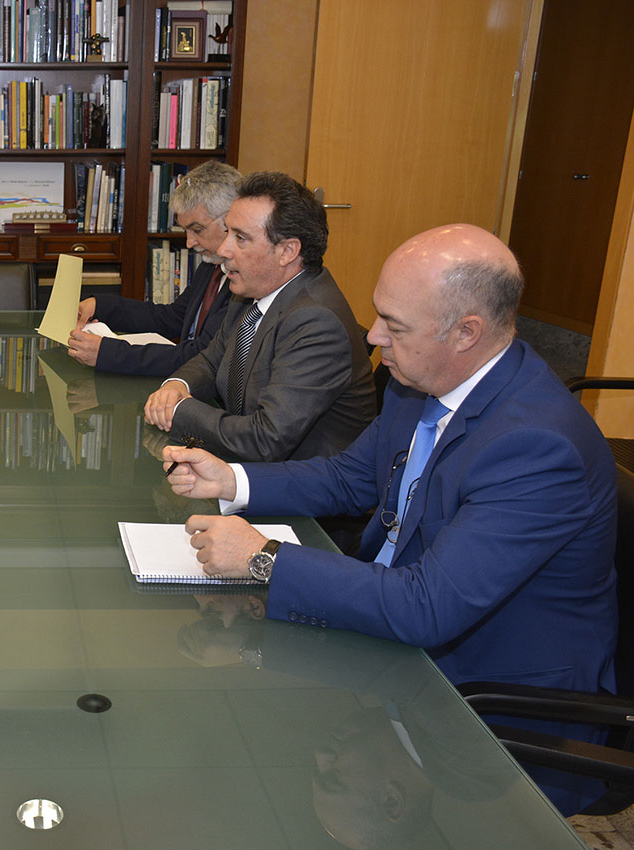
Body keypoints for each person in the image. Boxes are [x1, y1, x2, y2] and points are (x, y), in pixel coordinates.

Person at [163, 223, 618, 696]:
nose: (374, 336)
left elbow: (429, 608)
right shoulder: (417, 381)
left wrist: (264, 558)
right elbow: (350, 477)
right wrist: (232, 480)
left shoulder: (537, 448)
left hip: (482, 696)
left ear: (466, 333)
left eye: (394, 325)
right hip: (386, 631)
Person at [144, 171, 376, 462]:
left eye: (240, 238)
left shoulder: (316, 322)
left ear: (288, 251)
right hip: (246, 465)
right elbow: (212, 358)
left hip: (300, 494)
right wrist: (178, 386)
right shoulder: (250, 292)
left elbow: (266, 439)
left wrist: (180, 410)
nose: (224, 249)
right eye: (227, 232)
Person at [67, 161, 241, 376]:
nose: (189, 243)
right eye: (186, 230)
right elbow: (172, 318)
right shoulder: (211, 267)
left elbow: (200, 355)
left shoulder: (244, 281)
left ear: (231, 220)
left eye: (197, 229)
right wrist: (101, 305)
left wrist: (107, 353)